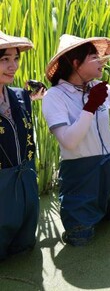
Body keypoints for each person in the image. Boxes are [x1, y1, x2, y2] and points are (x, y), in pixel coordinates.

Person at [42, 34, 110, 246]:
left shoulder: (96, 87)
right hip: (81, 174)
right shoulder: (55, 97)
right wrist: (89, 107)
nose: (102, 61)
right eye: (94, 56)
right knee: (80, 237)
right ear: (76, 63)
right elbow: (68, 141)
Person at [0, 31, 41, 260]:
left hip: (25, 184)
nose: (12, 66)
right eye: (5, 59)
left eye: (16, 58)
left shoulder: (19, 96)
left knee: (26, 250)